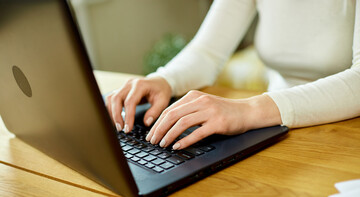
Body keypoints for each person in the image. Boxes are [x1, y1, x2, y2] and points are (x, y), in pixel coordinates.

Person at [106, 0, 360, 151]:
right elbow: (208, 52)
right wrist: (164, 79)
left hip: (345, 129)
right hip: (277, 125)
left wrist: (248, 110)